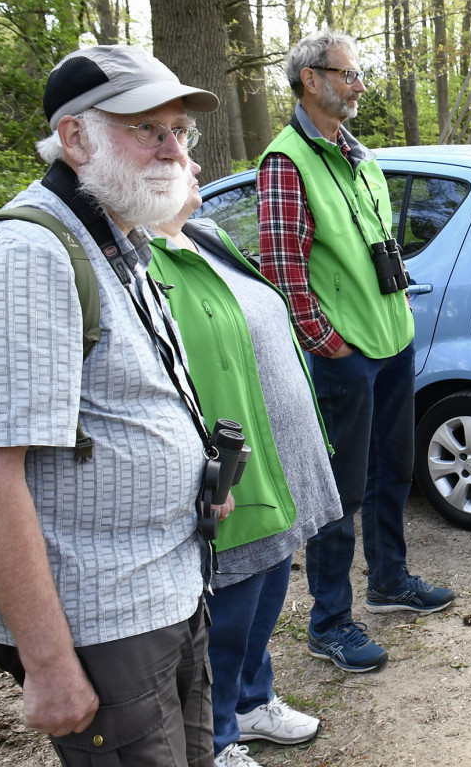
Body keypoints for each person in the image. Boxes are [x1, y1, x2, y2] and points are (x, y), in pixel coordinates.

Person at [0, 44, 230, 767]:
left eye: (178, 132)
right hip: (100, 622)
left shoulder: (119, 237)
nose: (171, 149)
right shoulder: (26, 256)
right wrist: (49, 665)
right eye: (145, 129)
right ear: (73, 137)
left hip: (167, 590)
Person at [256, 30, 455, 674]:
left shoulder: (358, 156)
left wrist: (398, 321)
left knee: (392, 471)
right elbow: (284, 270)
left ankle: (390, 581)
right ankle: (329, 622)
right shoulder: (285, 162)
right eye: (348, 73)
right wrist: (326, 342)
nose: (359, 83)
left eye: (359, 73)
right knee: (337, 492)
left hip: (391, 340)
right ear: (311, 79)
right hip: (342, 353)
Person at [149, 161, 343, 767]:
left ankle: (253, 702)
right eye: (175, 151)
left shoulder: (204, 235)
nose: (195, 163)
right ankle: (220, 734)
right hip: (229, 460)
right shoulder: (141, 260)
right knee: (232, 603)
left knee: (273, 575)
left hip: (277, 447)